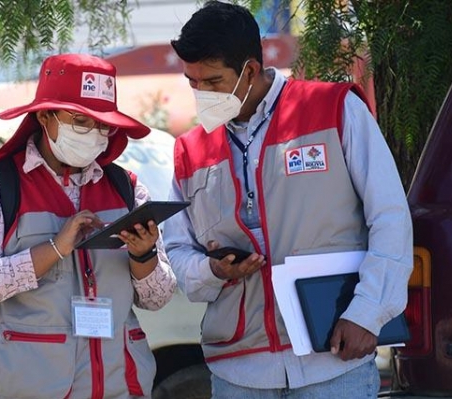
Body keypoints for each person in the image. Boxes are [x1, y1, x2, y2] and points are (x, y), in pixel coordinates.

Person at [162, 1, 413, 398]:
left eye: (211, 81)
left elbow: (390, 216)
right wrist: (212, 270)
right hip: (238, 370)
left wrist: (367, 313)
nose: (200, 93)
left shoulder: (333, 109)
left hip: (333, 360)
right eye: (192, 82)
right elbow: (177, 251)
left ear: (249, 70)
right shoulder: (189, 152)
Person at [0, 53, 177, 399]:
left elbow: (158, 299)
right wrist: (54, 249)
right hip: (28, 388)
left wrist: (143, 255)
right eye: (80, 122)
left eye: (103, 125)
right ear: (44, 116)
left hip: (119, 386)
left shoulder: (127, 189)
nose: (94, 134)